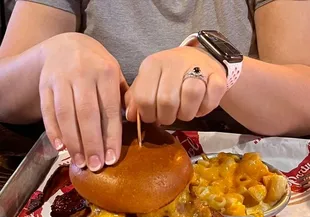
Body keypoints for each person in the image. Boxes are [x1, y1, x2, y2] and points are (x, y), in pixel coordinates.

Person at [0, 0, 309, 173]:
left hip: (243, 180)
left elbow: (303, 96)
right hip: (97, 168)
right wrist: (52, 54)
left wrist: (221, 66)